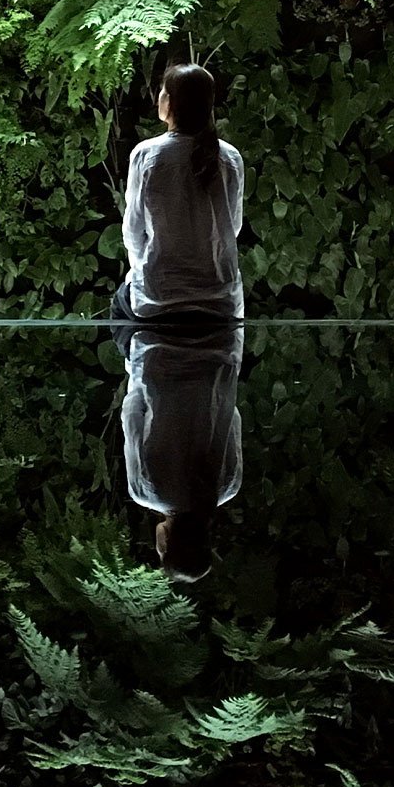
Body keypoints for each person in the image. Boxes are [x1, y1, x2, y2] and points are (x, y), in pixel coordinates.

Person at [112, 63, 245, 329]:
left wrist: (149, 275)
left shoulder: (147, 155)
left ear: (170, 102)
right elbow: (233, 226)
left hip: (157, 300)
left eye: (162, 90)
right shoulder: (230, 157)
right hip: (220, 300)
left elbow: (133, 232)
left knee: (118, 310)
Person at [121, 322, 244, 583]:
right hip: (155, 345)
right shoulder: (146, 492)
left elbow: (233, 416)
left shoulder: (228, 486)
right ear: (164, 545)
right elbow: (132, 410)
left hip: (222, 345)